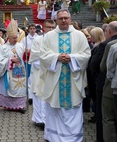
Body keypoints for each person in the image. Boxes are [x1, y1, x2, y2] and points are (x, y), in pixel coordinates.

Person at [37, 9, 91, 142]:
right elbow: (43, 55)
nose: (63, 21)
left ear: (70, 19)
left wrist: (72, 58)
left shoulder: (79, 35)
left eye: (66, 18)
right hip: (55, 82)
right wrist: (57, 57)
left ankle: (73, 138)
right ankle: (54, 137)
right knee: (55, 109)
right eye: (60, 18)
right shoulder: (49, 36)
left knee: (72, 109)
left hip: (73, 80)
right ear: (56, 20)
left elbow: (86, 55)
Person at [89, 21, 117, 142]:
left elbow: (97, 65)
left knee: (106, 117)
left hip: (106, 85)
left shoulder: (106, 45)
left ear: (109, 31)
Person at [0, 19, 27, 114]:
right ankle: (8, 105)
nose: (16, 39)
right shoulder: (3, 48)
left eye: (16, 37)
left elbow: (25, 58)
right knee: (10, 88)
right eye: (14, 38)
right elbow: (0, 61)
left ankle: (20, 106)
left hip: (20, 72)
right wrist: (11, 60)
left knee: (20, 88)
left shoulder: (20, 46)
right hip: (8, 73)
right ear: (9, 37)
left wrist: (27, 53)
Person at [29, 19, 56, 129]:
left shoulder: (57, 40)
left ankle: (49, 120)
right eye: (48, 27)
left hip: (53, 73)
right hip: (39, 72)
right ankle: (39, 119)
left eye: (52, 27)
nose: (50, 29)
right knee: (39, 97)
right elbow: (35, 58)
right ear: (43, 28)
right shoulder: (37, 40)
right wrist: (49, 62)